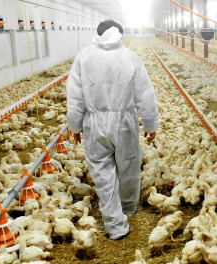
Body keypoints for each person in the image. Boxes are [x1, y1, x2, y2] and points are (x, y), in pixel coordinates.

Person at [66, 20, 159, 240]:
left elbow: (75, 95)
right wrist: (150, 122)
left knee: (101, 173)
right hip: (124, 122)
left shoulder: (83, 57)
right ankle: (127, 208)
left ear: (97, 34)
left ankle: (115, 226)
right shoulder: (130, 57)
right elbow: (144, 93)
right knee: (128, 165)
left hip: (94, 122)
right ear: (120, 34)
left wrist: (75, 125)